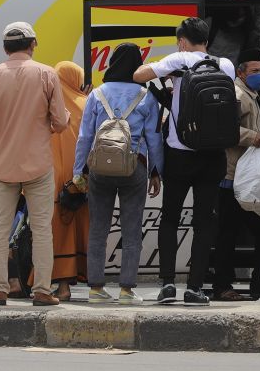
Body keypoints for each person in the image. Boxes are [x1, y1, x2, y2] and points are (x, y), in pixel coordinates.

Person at [133, 17, 234, 306]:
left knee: (170, 218)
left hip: (179, 154)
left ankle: (167, 284)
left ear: (182, 40)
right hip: (213, 155)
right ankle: (196, 288)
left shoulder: (178, 59)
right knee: (205, 222)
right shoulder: (223, 65)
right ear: (206, 40)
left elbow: (139, 75)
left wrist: (172, 73)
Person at [0, 22, 70, 307]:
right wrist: (62, 117)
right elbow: (59, 122)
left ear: (6, 48)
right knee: (42, 228)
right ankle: (42, 290)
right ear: (32, 44)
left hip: (2, 165)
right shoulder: (46, 74)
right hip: (38, 165)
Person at [76, 43, 163, 305]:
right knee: (132, 228)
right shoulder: (146, 95)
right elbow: (154, 139)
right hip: (133, 167)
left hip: (99, 168)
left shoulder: (97, 94)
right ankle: (126, 290)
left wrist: (78, 170)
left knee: (98, 229)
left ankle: (95, 289)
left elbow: (85, 136)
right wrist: (156, 172)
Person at [213, 48, 260, 301]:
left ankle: (258, 282)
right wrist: (254, 136)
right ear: (241, 72)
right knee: (231, 234)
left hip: (244, 178)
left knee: (259, 232)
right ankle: (226, 286)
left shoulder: (250, 94)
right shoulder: (239, 94)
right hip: (232, 177)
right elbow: (225, 128)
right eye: (255, 71)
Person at [47, 61, 91, 301]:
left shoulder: (49, 104)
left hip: (51, 178)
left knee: (57, 230)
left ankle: (59, 286)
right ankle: (92, 282)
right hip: (81, 179)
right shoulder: (87, 103)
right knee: (81, 227)